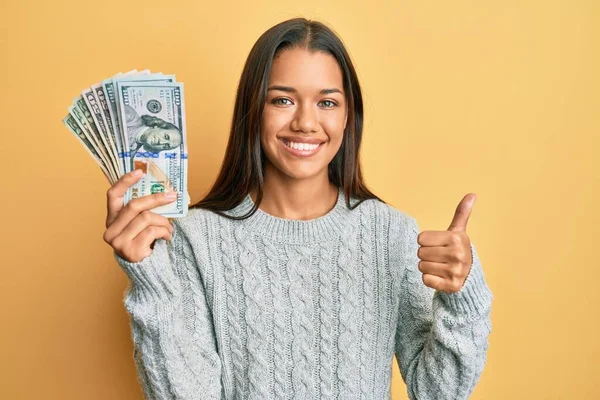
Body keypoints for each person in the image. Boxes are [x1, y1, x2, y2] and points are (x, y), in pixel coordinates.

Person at [103, 17, 493, 400]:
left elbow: (438, 391)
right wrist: (150, 281)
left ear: (347, 116)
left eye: (327, 102)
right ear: (253, 110)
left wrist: (463, 294)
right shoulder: (196, 237)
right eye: (283, 100)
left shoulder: (391, 234)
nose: (306, 122)